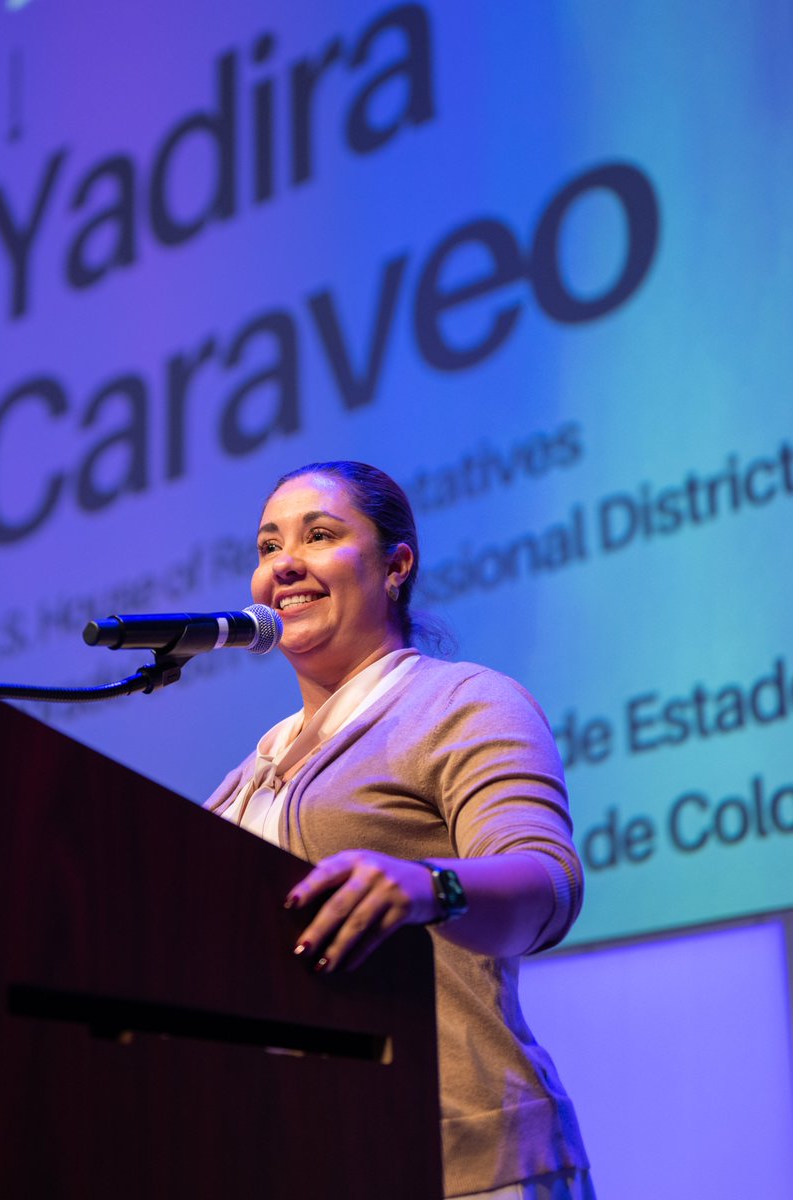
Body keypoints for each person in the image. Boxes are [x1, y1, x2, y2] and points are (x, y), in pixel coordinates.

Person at [207, 460, 594, 1200]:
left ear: (395, 565)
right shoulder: (247, 772)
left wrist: (427, 884)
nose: (283, 564)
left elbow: (548, 882)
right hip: (295, 1156)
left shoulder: (460, 704)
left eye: (318, 535)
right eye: (266, 547)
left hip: (463, 1158)